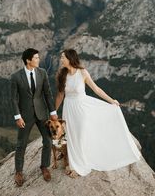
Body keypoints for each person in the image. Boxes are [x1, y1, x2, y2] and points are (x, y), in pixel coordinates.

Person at [55, 49, 141, 177]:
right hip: (69, 108)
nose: (61, 60)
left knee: (80, 135)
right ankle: (72, 163)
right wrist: (53, 111)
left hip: (82, 107)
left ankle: (80, 166)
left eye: (63, 57)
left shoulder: (82, 72)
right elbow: (60, 95)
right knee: (71, 135)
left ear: (70, 58)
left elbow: (96, 89)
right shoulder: (62, 75)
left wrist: (111, 100)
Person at [10, 48, 58, 186]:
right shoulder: (16, 76)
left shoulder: (42, 73)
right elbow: (13, 99)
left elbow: (47, 93)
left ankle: (44, 167)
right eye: (36, 58)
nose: (38, 60)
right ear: (28, 60)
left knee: (48, 141)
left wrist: (53, 111)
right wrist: (18, 116)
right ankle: (19, 172)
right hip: (25, 115)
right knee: (21, 144)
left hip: (42, 113)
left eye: (38, 57)